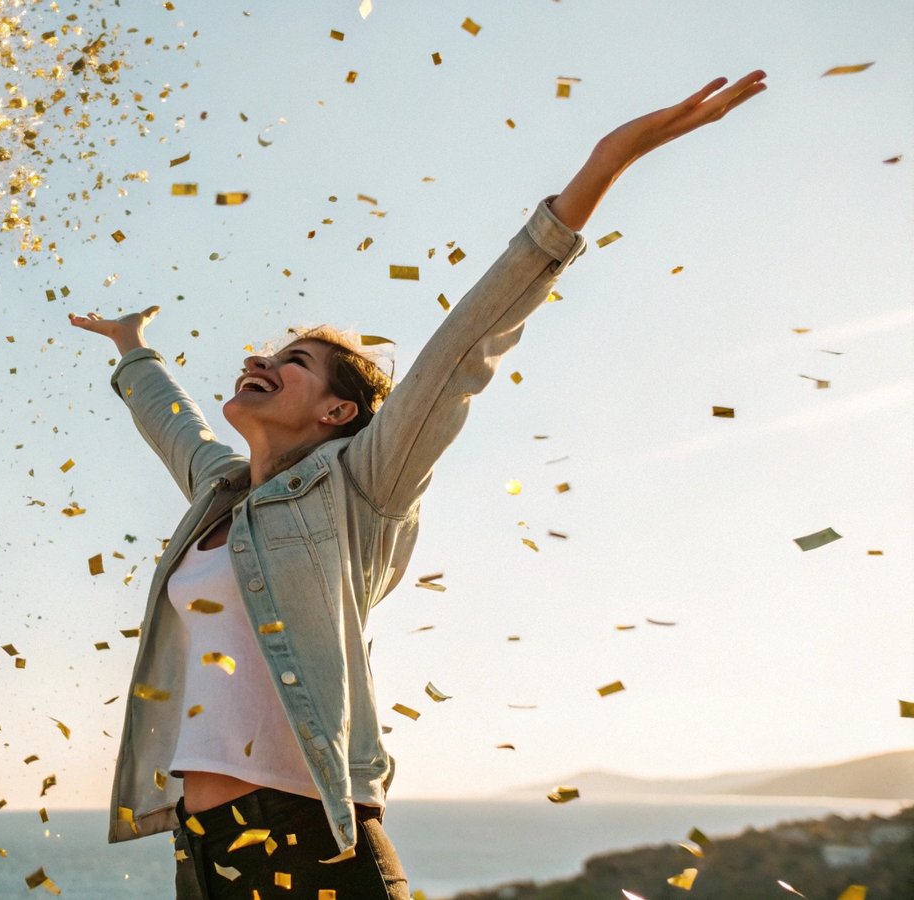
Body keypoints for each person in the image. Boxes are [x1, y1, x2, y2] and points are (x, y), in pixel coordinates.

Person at [70, 71, 768, 900]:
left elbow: (465, 346)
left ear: (338, 411)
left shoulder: (362, 486)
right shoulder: (217, 494)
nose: (259, 361)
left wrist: (603, 165)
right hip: (204, 849)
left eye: (291, 361)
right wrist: (130, 348)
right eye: (265, 353)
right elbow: (171, 420)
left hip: (313, 837)